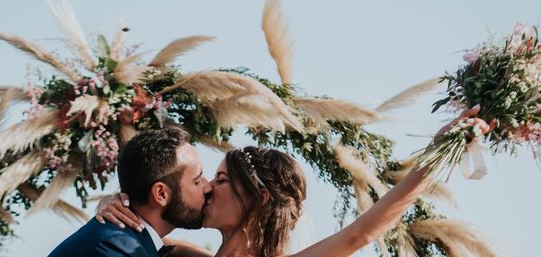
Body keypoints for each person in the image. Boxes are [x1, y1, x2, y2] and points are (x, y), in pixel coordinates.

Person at [98, 105, 490, 257]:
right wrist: (115, 203)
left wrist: (441, 151)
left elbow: (361, 233)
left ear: (259, 198)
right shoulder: (179, 256)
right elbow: (144, 227)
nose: (205, 188)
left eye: (218, 180)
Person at [48, 127, 212, 257]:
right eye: (197, 180)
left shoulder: (128, 240)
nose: (208, 187)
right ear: (161, 194)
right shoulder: (118, 246)